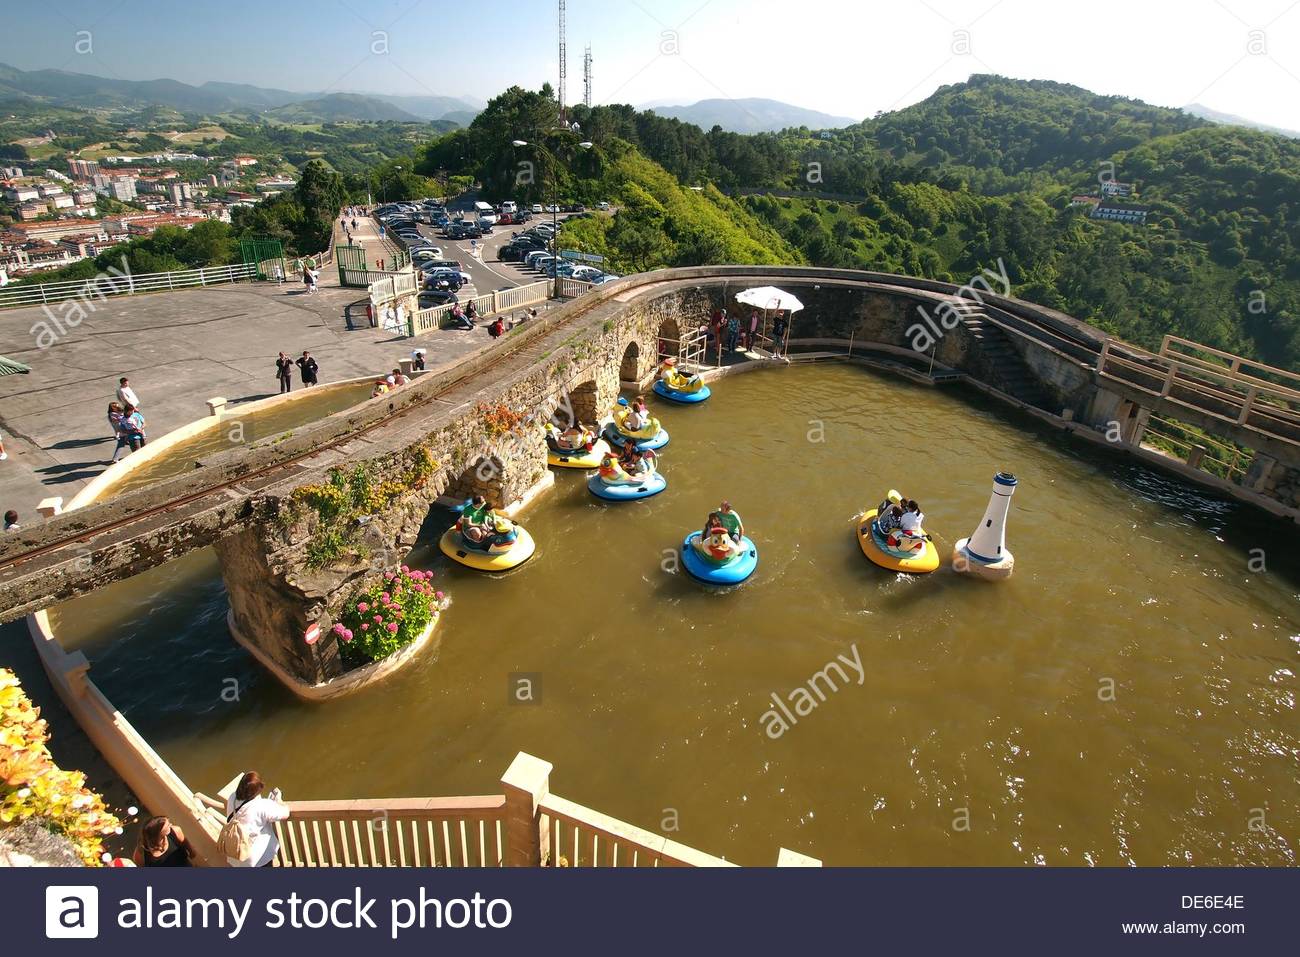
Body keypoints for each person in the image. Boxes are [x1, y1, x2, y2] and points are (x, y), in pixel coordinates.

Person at [224, 771, 289, 868]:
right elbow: (285, 813)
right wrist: (279, 800)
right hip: (257, 859)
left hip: (236, 855)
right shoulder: (261, 805)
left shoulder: (232, 798)